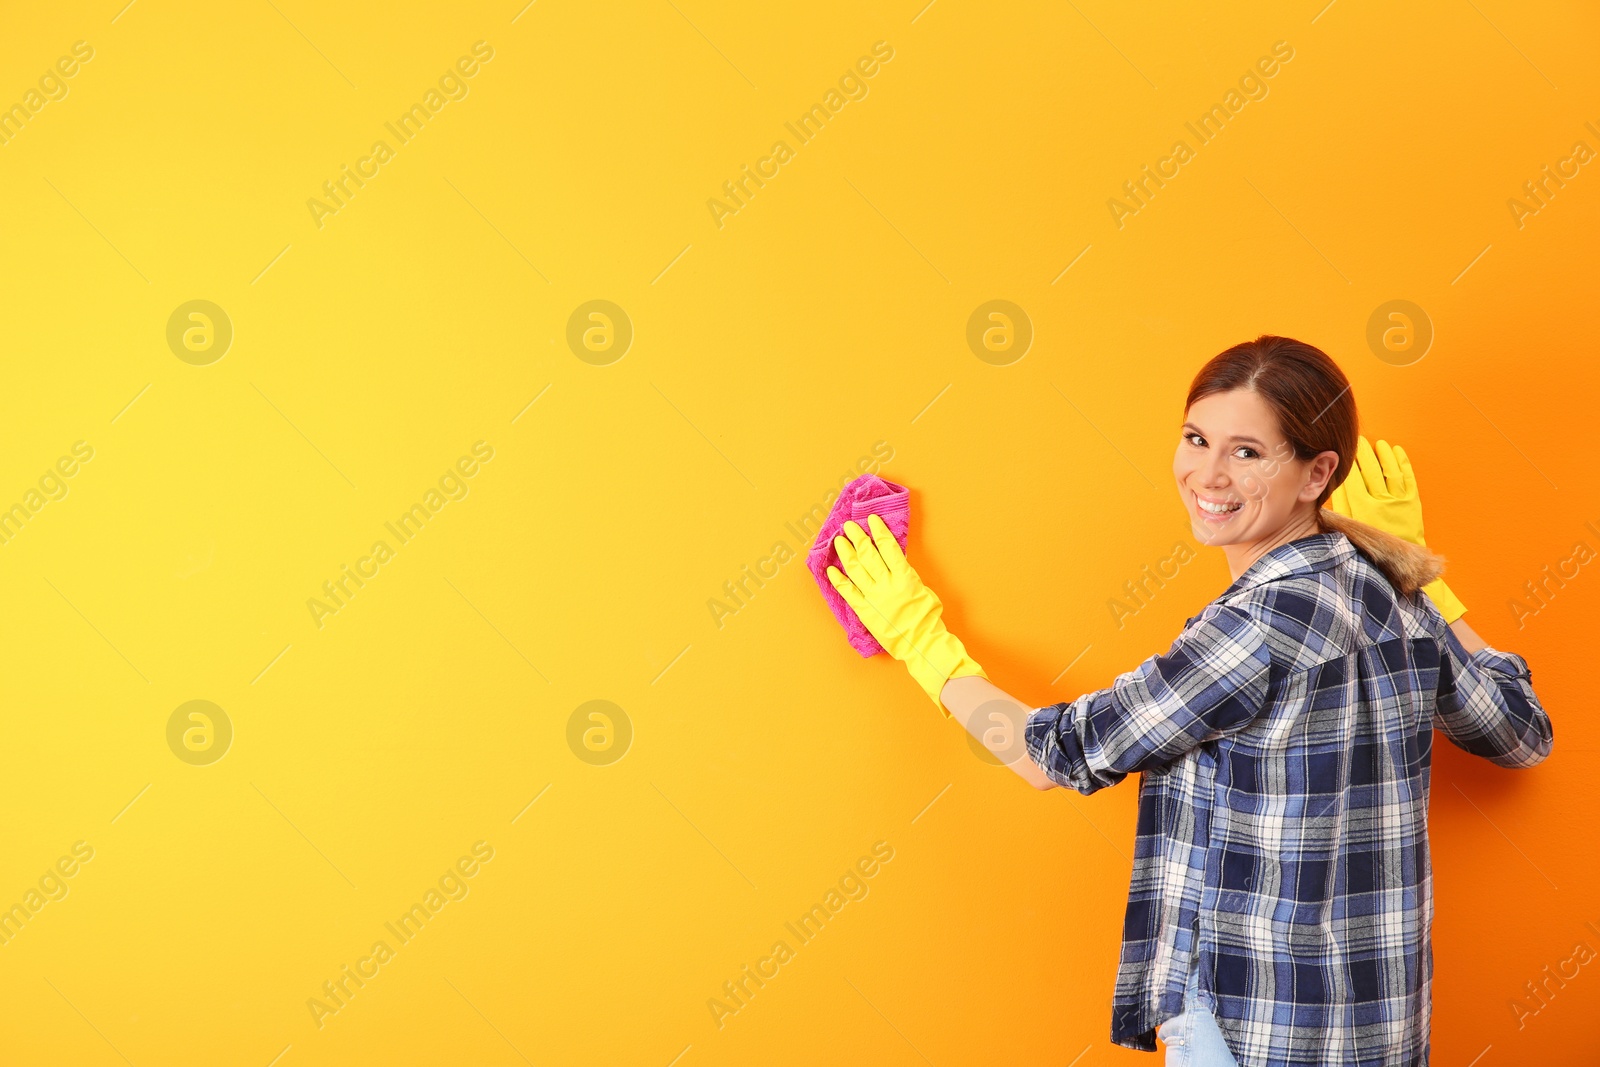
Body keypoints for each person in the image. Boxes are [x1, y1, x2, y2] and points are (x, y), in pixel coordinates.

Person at [825, 335, 1553, 1066]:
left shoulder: (1253, 627)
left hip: (1259, 1037)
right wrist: (1417, 571)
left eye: (1247, 452)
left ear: (1318, 471)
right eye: (1197, 438)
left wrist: (921, 639)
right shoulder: (1387, 592)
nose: (1207, 473)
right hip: (1383, 1033)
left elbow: (1049, 756)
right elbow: (1522, 731)